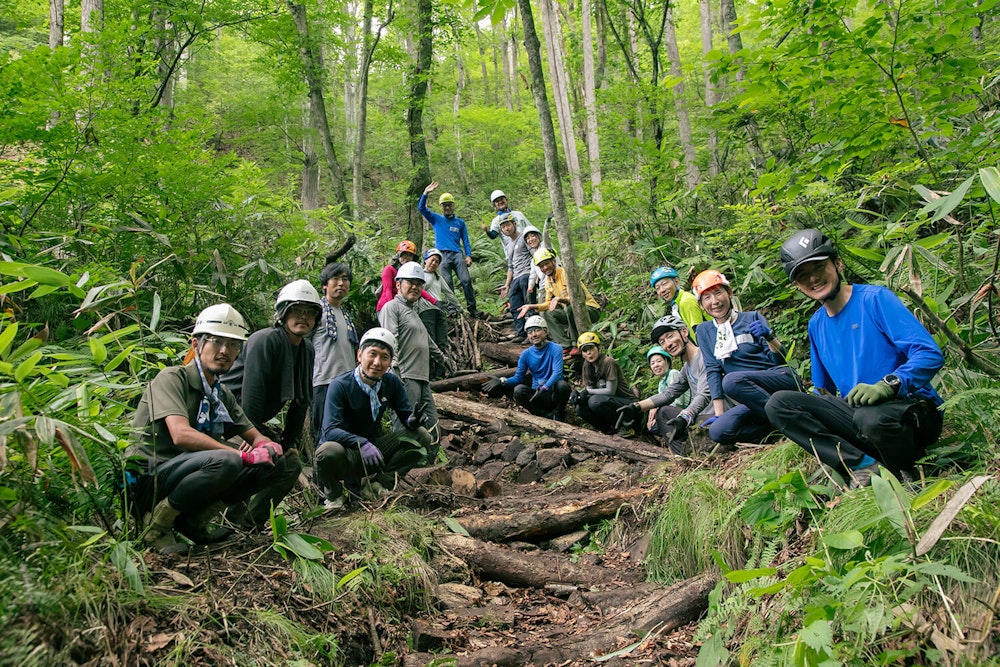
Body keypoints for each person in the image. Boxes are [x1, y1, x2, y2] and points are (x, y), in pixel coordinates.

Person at [765, 229, 945, 488]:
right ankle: (863, 465)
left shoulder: (875, 300)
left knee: (869, 418)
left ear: (837, 264)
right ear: (797, 286)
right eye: (803, 276)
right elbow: (822, 391)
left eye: (819, 267)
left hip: (911, 411)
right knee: (779, 404)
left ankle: (907, 473)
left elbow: (929, 354)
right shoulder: (816, 325)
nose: (813, 279)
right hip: (860, 416)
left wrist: (888, 384)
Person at [128, 304, 299, 551]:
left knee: (278, 462)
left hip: (187, 474)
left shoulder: (219, 393)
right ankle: (155, 527)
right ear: (196, 345)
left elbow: (252, 433)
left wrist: (265, 445)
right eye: (216, 342)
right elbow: (180, 435)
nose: (224, 351)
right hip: (147, 480)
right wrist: (241, 455)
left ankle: (193, 521)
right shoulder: (172, 378)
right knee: (228, 460)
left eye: (232, 345)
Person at [220, 281, 322, 523]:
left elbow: (302, 399)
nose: (304, 318)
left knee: (292, 463)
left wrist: (291, 441)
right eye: (297, 311)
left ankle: (250, 524)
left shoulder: (307, 349)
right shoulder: (264, 340)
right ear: (283, 313)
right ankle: (226, 516)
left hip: (249, 425)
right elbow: (251, 391)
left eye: (310, 313)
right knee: (257, 457)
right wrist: (251, 435)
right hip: (227, 422)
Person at [315, 328, 433, 508]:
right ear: (359, 355)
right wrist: (361, 442)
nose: (377, 363)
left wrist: (412, 421)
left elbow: (405, 413)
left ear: (390, 362)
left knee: (422, 435)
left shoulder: (390, 382)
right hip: (346, 454)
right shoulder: (340, 385)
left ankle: (378, 485)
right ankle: (334, 496)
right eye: (372, 354)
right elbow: (330, 430)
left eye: (384, 357)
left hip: (374, 453)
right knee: (327, 451)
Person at [692, 269, 801, 450]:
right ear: (702, 306)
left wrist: (770, 337)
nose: (715, 301)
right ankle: (777, 427)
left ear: (730, 293)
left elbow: (779, 362)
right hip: (751, 397)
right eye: (707, 298)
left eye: (718, 293)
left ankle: (793, 421)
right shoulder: (704, 331)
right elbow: (713, 370)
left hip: (778, 379)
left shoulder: (752, 318)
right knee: (719, 431)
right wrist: (719, 413)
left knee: (732, 380)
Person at [378, 262, 456, 457]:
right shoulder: (391, 308)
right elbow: (389, 339)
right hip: (405, 376)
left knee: (432, 426)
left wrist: (443, 358)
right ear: (398, 284)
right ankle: (396, 472)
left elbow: (427, 341)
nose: (415, 287)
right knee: (404, 427)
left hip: (422, 378)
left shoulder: (413, 312)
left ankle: (428, 467)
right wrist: (394, 373)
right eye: (410, 282)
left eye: (419, 284)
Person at [616, 316, 716, 455]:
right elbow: (668, 394)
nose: (667, 344)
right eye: (662, 342)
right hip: (703, 417)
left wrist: (686, 416)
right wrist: (636, 407)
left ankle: (685, 457)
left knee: (663, 413)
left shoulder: (704, 356)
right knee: (662, 412)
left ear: (684, 332)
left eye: (670, 336)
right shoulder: (686, 369)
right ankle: (684, 457)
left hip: (715, 416)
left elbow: (704, 395)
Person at [481, 315, 571, 420]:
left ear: (545, 331)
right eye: (530, 332)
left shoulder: (556, 348)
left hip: (553, 393)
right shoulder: (526, 354)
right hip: (536, 395)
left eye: (537, 330)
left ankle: (559, 413)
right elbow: (518, 377)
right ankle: (543, 415)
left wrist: (545, 387)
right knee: (519, 390)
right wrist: (502, 381)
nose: (533, 335)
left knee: (563, 386)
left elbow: (557, 373)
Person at [517, 248, 601, 351]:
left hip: (590, 310)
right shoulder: (548, 281)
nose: (545, 267)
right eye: (541, 266)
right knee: (548, 314)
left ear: (554, 261)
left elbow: (577, 299)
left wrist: (559, 299)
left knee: (570, 308)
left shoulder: (565, 274)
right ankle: (565, 345)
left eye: (547, 263)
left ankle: (576, 344)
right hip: (572, 312)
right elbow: (548, 304)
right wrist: (531, 306)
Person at [311, 262, 358, 439]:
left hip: (347, 383)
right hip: (324, 381)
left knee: (345, 431)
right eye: (335, 279)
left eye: (345, 279)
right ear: (325, 285)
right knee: (324, 431)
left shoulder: (345, 315)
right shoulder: (316, 312)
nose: (341, 283)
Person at [418, 182, 478, 317]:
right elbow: (421, 208)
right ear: (441, 207)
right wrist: (425, 193)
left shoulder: (460, 223)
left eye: (449, 204)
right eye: (444, 205)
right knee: (447, 283)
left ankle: (472, 308)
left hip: (457, 254)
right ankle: (452, 310)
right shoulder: (436, 219)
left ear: (453, 205)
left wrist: (468, 255)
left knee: (466, 281)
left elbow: (466, 240)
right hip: (441, 256)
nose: (447, 207)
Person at [571, 332, 636, 433]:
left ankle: (625, 426)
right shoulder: (586, 366)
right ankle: (607, 430)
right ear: (582, 354)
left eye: (591, 348)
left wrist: (587, 391)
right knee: (580, 407)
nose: (589, 352)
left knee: (594, 401)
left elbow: (610, 391)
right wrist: (579, 394)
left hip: (626, 402)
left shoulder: (608, 362)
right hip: (606, 401)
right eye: (585, 350)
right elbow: (590, 389)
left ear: (598, 348)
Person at [498, 213, 534, 343]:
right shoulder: (508, 246)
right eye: (503, 227)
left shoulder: (524, 238)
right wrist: (507, 285)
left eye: (508, 225)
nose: (506, 228)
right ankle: (521, 333)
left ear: (514, 224)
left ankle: (533, 331)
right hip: (516, 277)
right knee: (514, 304)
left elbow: (534, 255)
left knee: (528, 303)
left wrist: (536, 276)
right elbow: (510, 267)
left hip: (527, 274)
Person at [377, 240, 438, 313]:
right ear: (398, 255)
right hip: (386, 307)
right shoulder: (389, 270)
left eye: (410, 255)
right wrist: (392, 307)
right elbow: (388, 290)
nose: (407, 258)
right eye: (404, 254)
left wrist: (435, 302)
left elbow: (419, 289)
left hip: (402, 308)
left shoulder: (409, 274)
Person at [645, 345, 690, 434]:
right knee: (653, 427)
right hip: (673, 411)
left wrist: (657, 410)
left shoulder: (673, 374)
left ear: (667, 362)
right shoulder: (661, 383)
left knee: (660, 415)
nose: (656, 365)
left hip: (686, 411)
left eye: (659, 361)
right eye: (652, 363)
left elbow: (679, 402)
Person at [650, 267, 706, 334]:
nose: (662, 290)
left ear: (676, 282)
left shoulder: (686, 301)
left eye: (664, 284)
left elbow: (699, 332)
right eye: (658, 288)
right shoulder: (676, 304)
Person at [423, 248, 461, 315]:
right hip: (425, 310)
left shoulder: (439, 278)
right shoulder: (418, 275)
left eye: (437, 262)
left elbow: (449, 293)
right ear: (426, 260)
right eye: (432, 260)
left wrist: (460, 308)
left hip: (439, 309)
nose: (434, 263)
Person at [523, 225, 547, 304]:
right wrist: (530, 287)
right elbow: (533, 274)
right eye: (528, 238)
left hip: (555, 281)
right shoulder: (533, 260)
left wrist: (547, 223)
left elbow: (546, 236)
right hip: (543, 286)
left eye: (533, 236)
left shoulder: (546, 247)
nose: (531, 239)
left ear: (539, 236)